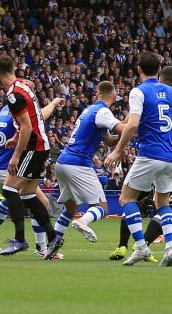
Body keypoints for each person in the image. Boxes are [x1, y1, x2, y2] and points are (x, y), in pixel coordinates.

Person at [104, 51, 172, 267]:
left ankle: (142, 248)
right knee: (162, 202)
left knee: (126, 199)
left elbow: (133, 124)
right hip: (171, 156)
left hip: (150, 153)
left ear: (139, 69)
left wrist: (118, 150)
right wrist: (166, 132)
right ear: (159, 70)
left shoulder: (139, 91)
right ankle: (170, 247)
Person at [46, 81, 125, 258]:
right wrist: (135, 126)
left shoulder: (88, 110)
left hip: (62, 162)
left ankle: (51, 246)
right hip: (78, 163)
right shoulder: (103, 112)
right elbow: (123, 129)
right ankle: (83, 221)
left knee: (70, 207)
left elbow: (109, 140)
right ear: (113, 96)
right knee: (102, 207)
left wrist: (124, 131)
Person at [0, 55, 60, 258]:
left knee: (9, 188)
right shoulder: (24, 84)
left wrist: (15, 155)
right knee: (28, 194)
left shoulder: (13, 95)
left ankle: (20, 240)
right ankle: (53, 236)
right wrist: (15, 137)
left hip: (34, 147)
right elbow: (30, 119)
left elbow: (27, 126)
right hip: (40, 145)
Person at [0, 94, 64, 257]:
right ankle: (41, 248)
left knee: (12, 199)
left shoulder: (4, 110)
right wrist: (54, 103)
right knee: (39, 200)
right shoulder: (19, 111)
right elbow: (38, 117)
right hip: (5, 166)